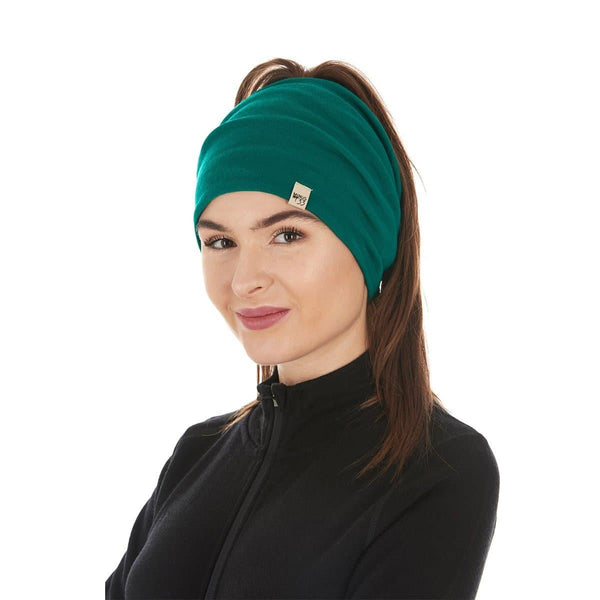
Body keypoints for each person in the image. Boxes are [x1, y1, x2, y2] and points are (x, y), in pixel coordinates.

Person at [105, 58, 500, 599]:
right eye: (220, 242)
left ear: (369, 241)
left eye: (287, 235)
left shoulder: (437, 469)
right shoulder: (196, 454)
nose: (244, 280)